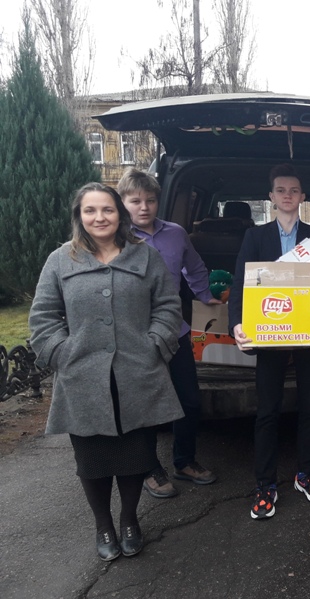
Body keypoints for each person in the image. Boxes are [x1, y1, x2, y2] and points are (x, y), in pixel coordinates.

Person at [29, 183, 184, 560]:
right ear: (79, 216)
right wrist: (63, 353)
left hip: (137, 375)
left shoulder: (145, 256)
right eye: (90, 210)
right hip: (82, 378)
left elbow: (168, 306)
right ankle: (103, 525)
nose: (99, 217)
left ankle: (129, 519)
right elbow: (43, 318)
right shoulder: (61, 260)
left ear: (120, 215)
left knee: (135, 457)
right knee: (92, 463)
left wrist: (154, 345)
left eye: (108, 210)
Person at [228, 163, 310, 520]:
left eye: (293, 190)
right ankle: (265, 485)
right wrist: (236, 325)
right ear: (271, 197)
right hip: (270, 335)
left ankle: (307, 474)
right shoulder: (255, 237)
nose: (287, 195)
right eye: (281, 190)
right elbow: (240, 287)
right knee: (267, 412)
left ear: (302, 196)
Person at [118, 168, 218, 499]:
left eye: (150, 200)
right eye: (135, 201)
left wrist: (206, 297)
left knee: (189, 400)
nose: (144, 207)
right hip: (136, 337)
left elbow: (195, 267)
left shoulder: (176, 233)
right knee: (146, 405)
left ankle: (184, 462)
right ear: (123, 202)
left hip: (176, 331)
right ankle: (149, 468)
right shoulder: (117, 239)